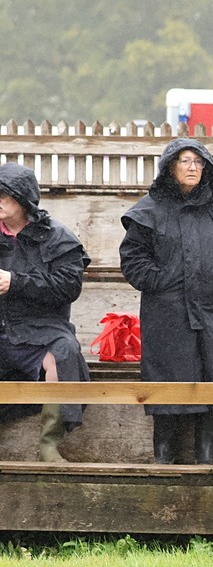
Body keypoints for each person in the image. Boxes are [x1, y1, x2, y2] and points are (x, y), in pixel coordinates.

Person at [119, 138, 213, 465]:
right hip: (167, 313)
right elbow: (133, 259)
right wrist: (163, 282)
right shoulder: (148, 211)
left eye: (198, 162)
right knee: (168, 383)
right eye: (184, 161)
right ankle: (164, 459)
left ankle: (206, 459)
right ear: (170, 167)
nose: (192, 168)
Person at [0, 163, 91, 462]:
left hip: (41, 328)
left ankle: (49, 444)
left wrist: (16, 282)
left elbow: (68, 287)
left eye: (4, 195)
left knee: (63, 351)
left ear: (23, 199)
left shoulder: (57, 237)